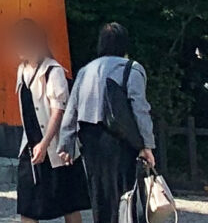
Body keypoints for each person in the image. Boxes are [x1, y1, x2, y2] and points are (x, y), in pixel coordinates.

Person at [57, 23, 156, 223]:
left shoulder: (86, 70)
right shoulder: (131, 68)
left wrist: (65, 143)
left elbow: (72, 108)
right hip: (120, 139)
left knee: (99, 193)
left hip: (90, 139)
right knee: (125, 193)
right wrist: (147, 145)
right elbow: (140, 109)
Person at [11, 18, 88, 223]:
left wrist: (45, 144)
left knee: (69, 204)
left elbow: (58, 111)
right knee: (27, 206)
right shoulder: (21, 70)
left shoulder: (53, 71)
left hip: (55, 148)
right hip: (30, 145)